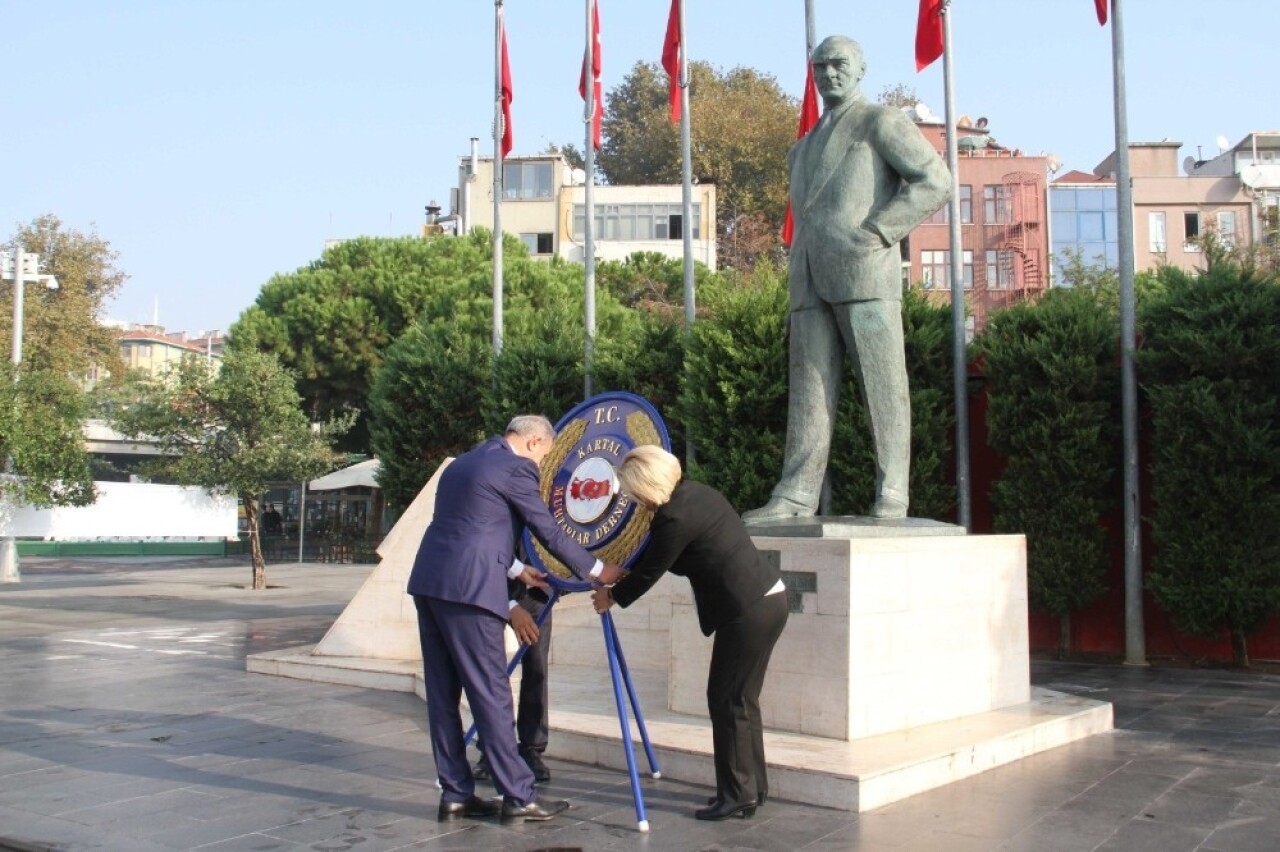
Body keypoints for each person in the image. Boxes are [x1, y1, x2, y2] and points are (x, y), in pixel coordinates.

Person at [744, 35, 950, 524]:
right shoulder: (802, 149)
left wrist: (879, 231)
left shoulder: (880, 122)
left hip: (864, 272)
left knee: (883, 385)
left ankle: (893, 490)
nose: (829, 74)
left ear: (860, 70)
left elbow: (936, 180)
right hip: (809, 277)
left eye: (839, 65)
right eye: (820, 67)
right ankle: (796, 494)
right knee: (809, 390)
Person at [407, 415, 616, 824]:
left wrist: (517, 569)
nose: (540, 467)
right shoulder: (515, 466)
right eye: (544, 457)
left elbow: (473, 531)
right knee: (491, 694)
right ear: (535, 442)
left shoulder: (462, 465)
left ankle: (455, 794)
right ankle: (518, 796)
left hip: (431, 584)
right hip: (471, 592)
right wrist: (596, 570)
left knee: (443, 694)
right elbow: (547, 529)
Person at [592, 446, 789, 821]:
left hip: (747, 610)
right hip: (767, 600)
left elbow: (652, 570)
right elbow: (664, 559)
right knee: (743, 700)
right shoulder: (697, 493)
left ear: (647, 486)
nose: (636, 501)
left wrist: (612, 596)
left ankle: (735, 795)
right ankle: (751, 789)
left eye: (635, 492)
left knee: (726, 699)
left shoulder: (674, 517)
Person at [472, 573, 553, 784]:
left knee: (537, 669)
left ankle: (531, 749)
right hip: (492, 590)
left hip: (537, 593)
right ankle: (492, 749)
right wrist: (509, 603)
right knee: (490, 673)